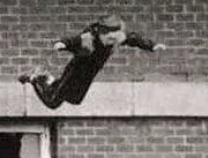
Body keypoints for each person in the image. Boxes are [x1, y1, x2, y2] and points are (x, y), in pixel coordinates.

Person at [18, 13, 165, 109]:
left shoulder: (119, 36)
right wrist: (62, 44)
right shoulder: (88, 39)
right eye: (109, 39)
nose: (110, 42)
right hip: (76, 70)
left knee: (75, 100)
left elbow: (133, 39)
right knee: (53, 102)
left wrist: (152, 46)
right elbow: (73, 40)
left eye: (114, 39)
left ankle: (48, 79)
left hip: (90, 72)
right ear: (101, 34)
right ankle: (35, 78)